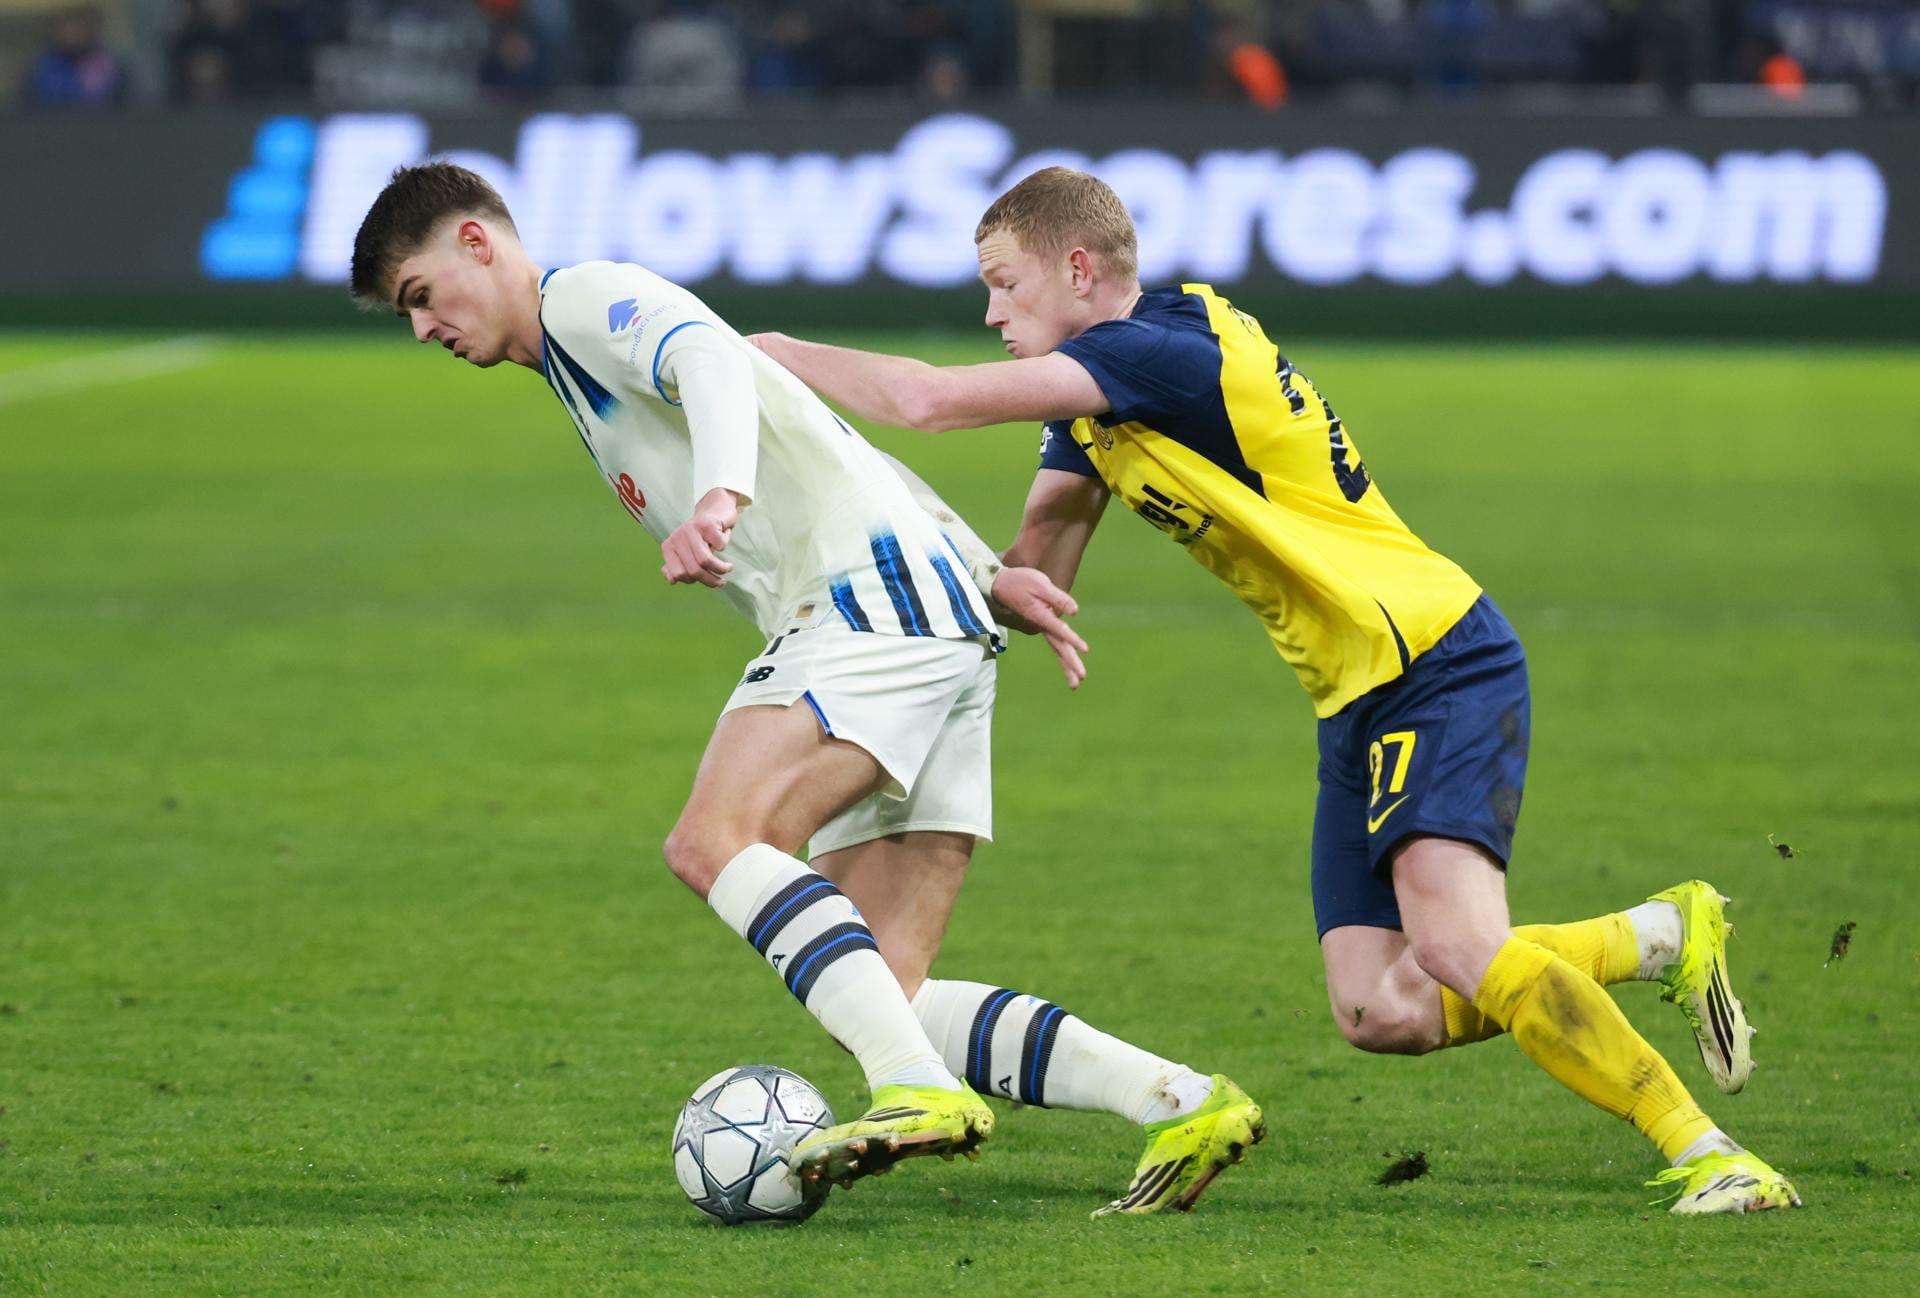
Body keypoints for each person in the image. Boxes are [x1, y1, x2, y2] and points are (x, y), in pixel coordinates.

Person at [748, 165, 1802, 1216]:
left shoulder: (1164, 352)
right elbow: (1039, 570)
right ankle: (1663, 933)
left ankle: (1714, 1153)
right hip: (1353, 694)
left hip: (1435, 659)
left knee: (1455, 944)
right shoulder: (1097, 398)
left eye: (1005, 286)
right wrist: (981, 576)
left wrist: (779, 360)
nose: (990, 313)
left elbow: (929, 401)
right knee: (1381, 1006)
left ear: (1077, 268)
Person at [347, 163, 1264, 1214]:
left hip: (864, 604)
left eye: (420, 294)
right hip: (931, 612)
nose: (423, 327)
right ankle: (1184, 1097)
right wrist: (981, 568)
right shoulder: (569, 364)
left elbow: (713, 356)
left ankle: (920, 1092)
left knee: (714, 840)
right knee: (885, 988)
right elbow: (830, 441)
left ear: (476, 243)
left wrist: (720, 492)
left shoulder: (584, 297)